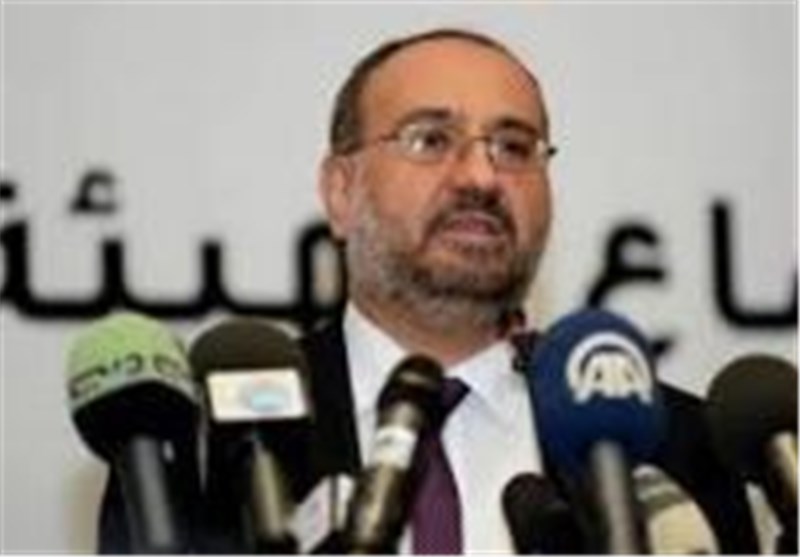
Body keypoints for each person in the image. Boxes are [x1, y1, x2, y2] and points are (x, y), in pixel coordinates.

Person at [98, 27, 760, 553]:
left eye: (514, 146)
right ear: (340, 190)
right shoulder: (209, 449)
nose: (480, 176)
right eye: (431, 139)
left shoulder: (679, 448)